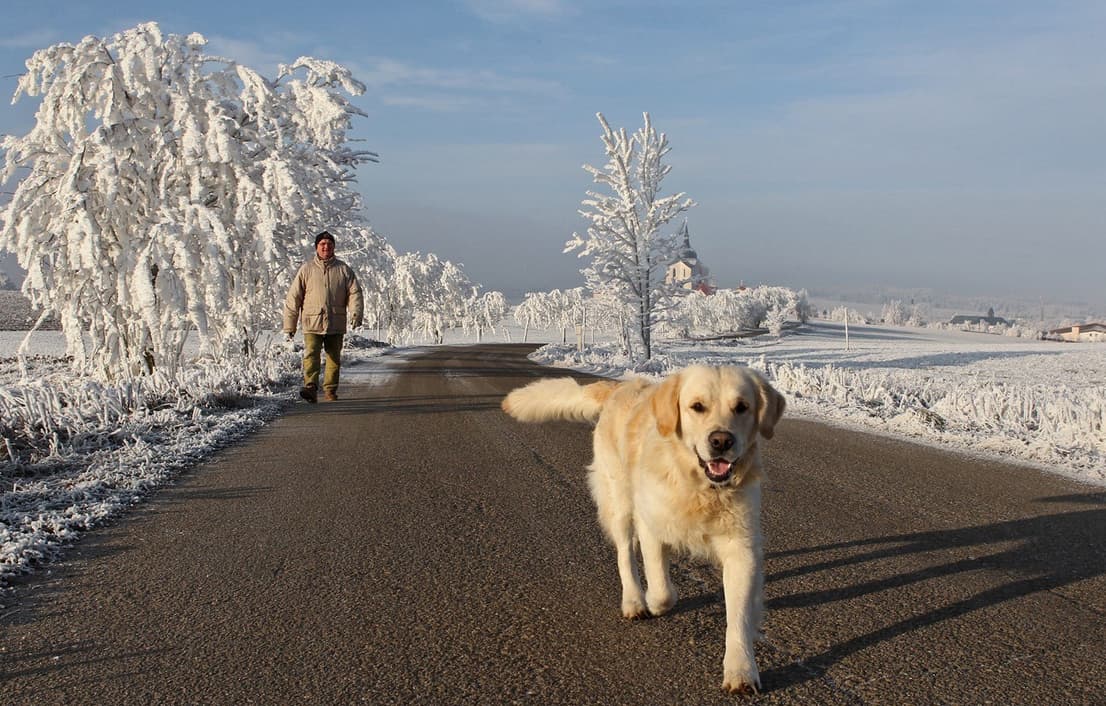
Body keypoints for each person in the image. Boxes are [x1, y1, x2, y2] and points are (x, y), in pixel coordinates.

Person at [283, 230, 363, 403]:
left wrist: (355, 313)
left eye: (329, 244)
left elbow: (355, 293)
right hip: (312, 321)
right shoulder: (307, 269)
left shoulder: (343, 269)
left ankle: (330, 390)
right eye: (322, 244)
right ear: (316, 248)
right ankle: (311, 386)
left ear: (334, 247)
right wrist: (290, 325)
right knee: (311, 354)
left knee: (334, 357)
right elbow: (294, 297)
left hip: (336, 321)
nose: (326, 247)